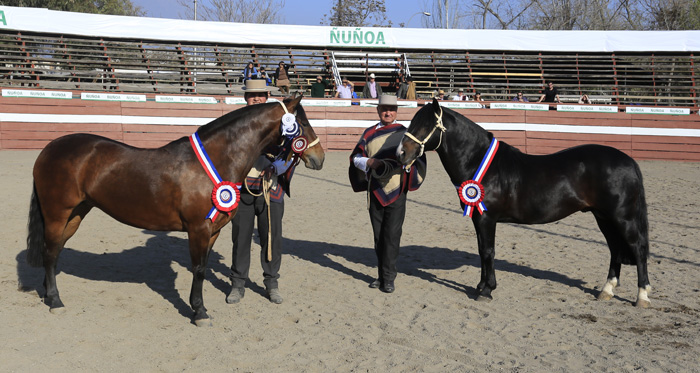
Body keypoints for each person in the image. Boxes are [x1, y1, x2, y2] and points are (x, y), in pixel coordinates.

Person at [349, 95, 427, 293]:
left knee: (392, 235)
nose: (388, 112)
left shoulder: (406, 134)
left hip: (397, 190)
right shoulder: (369, 134)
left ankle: (389, 278)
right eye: (384, 108)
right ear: (378, 110)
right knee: (378, 236)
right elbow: (356, 157)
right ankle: (381, 275)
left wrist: (408, 166)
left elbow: (418, 158)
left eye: (391, 109)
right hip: (374, 190)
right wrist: (369, 162)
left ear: (396, 111)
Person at [227, 79, 295, 305]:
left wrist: (278, 167)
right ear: (245, 98)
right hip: (242, 190)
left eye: (260, 94)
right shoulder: (235, 123)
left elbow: (293, 153)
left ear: (267, 96)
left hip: (271, 190)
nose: (256, 98)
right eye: (251, 95)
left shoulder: (282, 123)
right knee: (240, 238)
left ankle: (272, 283)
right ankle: (238, 283)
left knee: (271, 238)